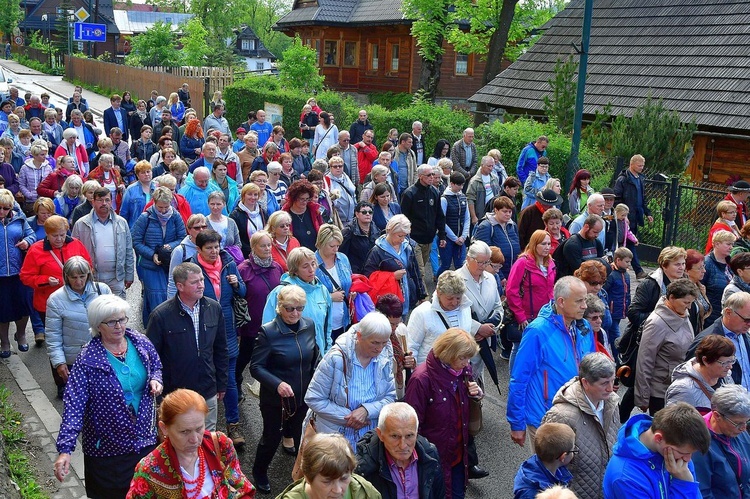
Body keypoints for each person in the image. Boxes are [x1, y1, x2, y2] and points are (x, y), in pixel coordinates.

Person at [54, 295, 162, 499]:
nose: (119, 326)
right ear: (97, 325)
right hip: (108, 453)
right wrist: (65, 450)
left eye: (122, 319)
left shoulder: (140, 342)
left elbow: (156, 365)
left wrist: (156, 379)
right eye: (111, 321)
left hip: (145, 443)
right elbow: (73, 406)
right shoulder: (87, 360)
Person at [507, 276, 596, 449]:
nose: (585, 306)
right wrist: (517, 423)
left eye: (585, 300)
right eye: (579, 301)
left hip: (577, 413)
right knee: (549, 473)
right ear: (561, 302)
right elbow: (519, 379)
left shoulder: (583, 326)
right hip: (546, 417)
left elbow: (589, 366)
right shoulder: (537, 331)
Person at [250, 284, 319, 494]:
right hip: (276, 399)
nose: (295, 313)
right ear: (280, 307)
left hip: (302, 395)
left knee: (301, 436)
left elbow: (313, 355)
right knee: (271, 438)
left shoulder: (308, 325)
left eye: (299, 308)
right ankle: (259, 471)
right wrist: (277, 383)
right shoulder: (268, 332)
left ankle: (302, 476)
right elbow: (256, 367)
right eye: (290, 308)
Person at [127, 388, 254, 498]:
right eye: (184, 432)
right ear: (164, 428)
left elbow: (242, 488)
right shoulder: (148, 470)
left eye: (199, 428)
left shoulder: (221, 445)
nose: (195, 439)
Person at [147, 262, 228, 431]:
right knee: (178, 439)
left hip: (207, 389)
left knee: (206, 438)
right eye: (195, 282)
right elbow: (151, 358)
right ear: (180, 286)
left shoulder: (214, 308)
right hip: (176, 393)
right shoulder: (161, 316)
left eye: (201, 280)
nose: (201, 285)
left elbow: (221, 350)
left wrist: (221, 384)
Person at [404, 328, 482, 499]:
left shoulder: (463, 372)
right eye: (462, 357)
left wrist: (476, 394)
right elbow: (411, 426)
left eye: (469, 357)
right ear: (447, 353)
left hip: (458, 456)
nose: (467, 362)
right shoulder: (421, 379)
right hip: (433, 460)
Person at [305, 311, 396, 449]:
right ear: (359, 336)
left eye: (384, 343)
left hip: (368, 440)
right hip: (333, 441)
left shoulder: (384, 357)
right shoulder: (335, 358)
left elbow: (390, 397)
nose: (380, 348)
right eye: (375, 343)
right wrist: (349, 418)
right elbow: (313, 398)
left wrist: (366, 411)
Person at [189, 229, 247, 446]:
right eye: (209, 248)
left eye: (216, 247)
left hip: (228, 329)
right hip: (202, 329)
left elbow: (243, 291)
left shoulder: (229, 264)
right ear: (199, 249)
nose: (214, 252)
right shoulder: (191, 268)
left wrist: (236, 284)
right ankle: (199, 427)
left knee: (229, 378)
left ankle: (233, 424)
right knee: (202, 377)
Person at [541, 353, 620, 499]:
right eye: (604, 383)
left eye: (613, 380)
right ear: (585, 383)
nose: (611, 389)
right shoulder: (561, 415)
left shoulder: (612, 402)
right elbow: (548, 467)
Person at [602, 402, 711, 499]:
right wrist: (683, 484)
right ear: (658, 438)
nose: (688, 459)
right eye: (683, 453)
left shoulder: (678, 458)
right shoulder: (625, 477)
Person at [46, 257, 112, 398]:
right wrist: (59, 362)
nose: (78, 282)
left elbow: (115, 321)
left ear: (89, 274)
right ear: (66, 277)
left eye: (82, 276)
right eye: (73, 277)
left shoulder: (103, 290)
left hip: (103, 357)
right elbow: (53, 335)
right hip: (74, 361)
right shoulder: (55, 299)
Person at [20, 215, 92, 344]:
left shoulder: (75, 244)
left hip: (76, 300)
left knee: (77, 338)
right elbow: (25, 277)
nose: (59, 239)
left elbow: (88, 266)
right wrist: (46, 280)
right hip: (48, 303)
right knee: (56, 340)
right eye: (54, 236)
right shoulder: (36, 250)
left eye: (62, 235)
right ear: (47, 233)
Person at [354, 402, 445, 499]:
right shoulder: (364, 465)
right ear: (380, 434)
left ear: (416, 433)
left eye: (409, 436)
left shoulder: (430, 455)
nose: (403, 446)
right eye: (395, 436)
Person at [636, 279, 699, 415]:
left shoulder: (682, 313)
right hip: (660, 392)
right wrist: (643, 398)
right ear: (671, 298)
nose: (689, 307)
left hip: (680, 386)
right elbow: (645, 361)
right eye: (686, 302)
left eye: (691, 303)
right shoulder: (656, 323)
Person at [131, 187, 187, 325]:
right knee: (156, 295)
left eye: (166, 207)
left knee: (169, 294)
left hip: (169, 263)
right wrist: (152, 254)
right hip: (150, 265)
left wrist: (171, 246)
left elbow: (182, 237)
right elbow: (135, 240)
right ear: (154, 203)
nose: (163, 210)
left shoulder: (175, 216)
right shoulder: (145, 217)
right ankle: (154, 325)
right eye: (160, 207)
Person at [263, 247, 333, 353]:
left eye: (313, 264)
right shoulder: (280, 292)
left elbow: (327, 326)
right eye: (305, 266)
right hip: (289, 358)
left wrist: (327, 351)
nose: (311, 269)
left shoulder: (322, 290)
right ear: (295, 270)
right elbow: (267, 329)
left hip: (318, 356)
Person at [71, 188, 134, 298]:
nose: (104, 203)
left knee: (117, 313)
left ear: (111, 201)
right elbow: (73, 253)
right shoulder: (81, 224)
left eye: (107, 200)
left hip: (116, 279)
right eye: (100, 200)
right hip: (91, 279)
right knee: (94, 312)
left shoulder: (122, 223)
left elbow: (128, 251)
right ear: (93, 202)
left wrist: (129, 275)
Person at [505, 230, 556, 367]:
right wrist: (521, 316)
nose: (547, 247)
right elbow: (511, 290)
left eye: (549, 244)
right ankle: (514, 382)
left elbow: (551, 289)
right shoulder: (522, 263)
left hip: (545, 315)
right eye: (543, 244)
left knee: (541, 348)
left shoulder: (550, 263)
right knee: (519, 348)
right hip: (527, 316)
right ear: (534, 244)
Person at [276, 433, 381, 498]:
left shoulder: (366, 492)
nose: (338, 490)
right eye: (327, 481)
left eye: (344, 479)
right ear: (308, 477)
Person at [691, 385, 750, 498]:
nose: (743, 428)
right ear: (717, 415)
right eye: (738, 423)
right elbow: (702, 492)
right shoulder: (698, 443)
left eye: (746, 422)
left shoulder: (739, 432)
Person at [407, 270, 478, 365]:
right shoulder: (421, 313)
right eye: (450, 298)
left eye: (458, 298)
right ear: (439, 293)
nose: (454, 303)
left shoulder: (466, 308)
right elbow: (411, 346)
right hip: (431, 373)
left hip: (458, 373)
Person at [364, 214, 426, 318]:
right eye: (400, 236)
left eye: (405, 235)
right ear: (390, 231)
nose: (403, 239)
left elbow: (415, 272)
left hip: (408, 296)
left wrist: (421, 294)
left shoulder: (407, 247)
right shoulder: (377, 251)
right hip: (388, 303)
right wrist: (392, 276)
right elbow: (368, 276)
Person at [0, 189, 34, 357]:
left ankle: (21, 335)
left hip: (19, 271)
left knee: (23, 306)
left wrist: (26, 242)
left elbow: (32, 235)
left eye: (5, 208)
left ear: (11, 207)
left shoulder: (19, 219)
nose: (2, 212)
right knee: (2, 309)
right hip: (0, 275)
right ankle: (4, 341)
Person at [665, 334, 735, 411]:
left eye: (732, 361)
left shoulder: (726, 376)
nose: (730, 367)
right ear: (706, 360)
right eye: (724, 363)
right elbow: (674, 422)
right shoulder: (683, 389)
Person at [613, 154, 653, 279]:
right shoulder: (623, 179)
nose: (642, 167)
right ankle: (638, 270)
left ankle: (636, 270)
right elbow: (617, 198)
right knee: (630, 242)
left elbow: (643, 198)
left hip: (636, 215)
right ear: (632, 164)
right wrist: (623, 215)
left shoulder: (640, 179)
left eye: (643, 165)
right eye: (639, 165)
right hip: (626, 217)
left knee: (631, 242)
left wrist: (648, 213)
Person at [512, 422, 575, 499]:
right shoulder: (530, 493)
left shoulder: (548, 464)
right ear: (563, 457)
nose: (574, 453)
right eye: (573, 451)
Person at [315, 224, 353, 341]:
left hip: (344, 320)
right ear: (321, 243)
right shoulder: (311, 262)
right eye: (332, 246)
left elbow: (351, 279)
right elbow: (307, 295)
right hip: (323, 323)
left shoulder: (343, 258)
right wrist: (329, 297)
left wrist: (352, 292)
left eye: (338, 245)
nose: (336, 249)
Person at [474, 195, 521, 283]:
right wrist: (500, 276)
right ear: (496, 210)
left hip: (512, 273)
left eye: (510, 212)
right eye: (504, 211)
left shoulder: (512, 225)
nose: (508, 214)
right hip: (494, 274)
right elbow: (484, 255)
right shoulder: (486, 226)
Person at [553, 214, 605, 278]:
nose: (597, 235)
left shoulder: (597, 242)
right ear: (586, 227)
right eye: (595, 232)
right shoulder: (572, 244)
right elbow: (579, 270)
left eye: (598, 232)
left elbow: (601, 265)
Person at [438, 172, 469, 276]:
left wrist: (463, 236)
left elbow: (467, 218)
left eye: (462, 185)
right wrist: (454, 238)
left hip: (461, 238)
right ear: (451, 183)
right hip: (448, 238)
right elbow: (442, 221)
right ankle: (439, 285)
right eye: (458, 185)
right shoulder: (444, 199)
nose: (460, 187)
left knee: (460, 265)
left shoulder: (463, 197)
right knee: (446, 265)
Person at [604, 246, 633, 355]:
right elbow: (604, 291)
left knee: (611, 334)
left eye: (630, 262)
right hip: (611, 310)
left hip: (621, 309)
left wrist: (628, 307)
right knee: (616, 335)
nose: (628, 264)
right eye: (627, 262)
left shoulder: (626, 274)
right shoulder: (611, 274)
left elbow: (628, 292)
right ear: (618, 260)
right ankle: (617, 359)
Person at [703, 230, 736, 327]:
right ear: (717, 244)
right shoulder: (706, 264)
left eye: (732, 244)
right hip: (711, 317)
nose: (731, 247)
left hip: (728, 316)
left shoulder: (732, 263)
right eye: (728, 244)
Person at [340, 201, 378, 274]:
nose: (367, 214)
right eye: (364, 212)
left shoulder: (377, 230)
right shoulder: (348, 232)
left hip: (373, 271)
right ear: (357, 214)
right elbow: (342, 255)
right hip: (356, 273)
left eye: (370, 212)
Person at [119, 161, 155, 229]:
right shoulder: (130, 190)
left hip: (153, 230)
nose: (146, 174)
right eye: (143, 172)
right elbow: (124, 213)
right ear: (137, 175)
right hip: (135, 229)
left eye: (148, 171)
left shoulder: (158, 189)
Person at [466, 156, 500, 226]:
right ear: (482, 165)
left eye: (492, 166)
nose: (491, 168)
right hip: (480, 215)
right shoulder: (474, 181)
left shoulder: (495, 178)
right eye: (488, 166)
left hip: (494, 213)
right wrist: (473, 217)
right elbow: (470, 200)